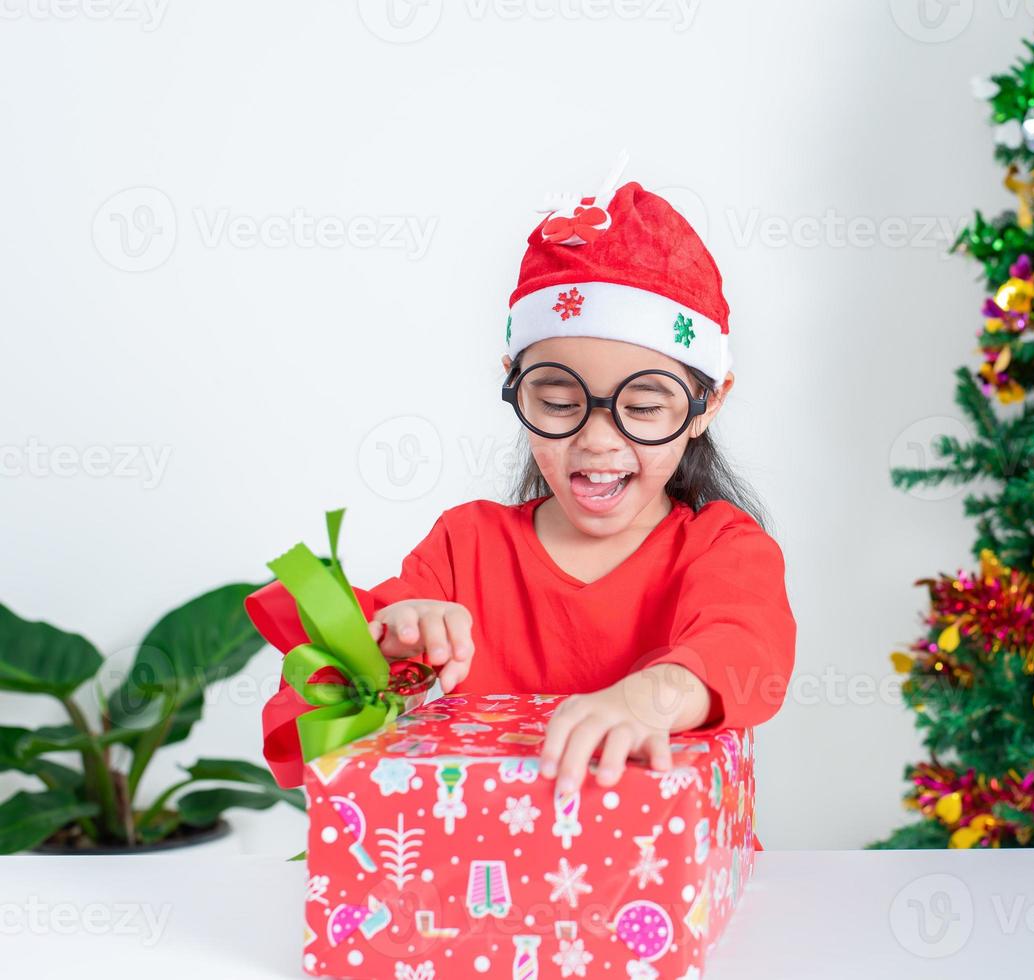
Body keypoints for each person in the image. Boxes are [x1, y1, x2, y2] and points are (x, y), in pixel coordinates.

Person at [246, 180, 797, 850]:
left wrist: (647, 696)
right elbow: (344, 695)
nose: (599, 440)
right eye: (561, 400)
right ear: (515, 383)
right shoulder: (464, 545)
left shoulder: (722, 548)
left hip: (662, 884)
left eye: (646, 407)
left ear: (707, 406)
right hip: (473, 883)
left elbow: (743, 649)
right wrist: (391, 642)